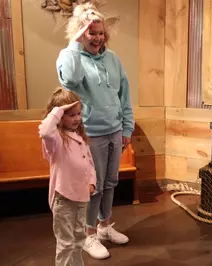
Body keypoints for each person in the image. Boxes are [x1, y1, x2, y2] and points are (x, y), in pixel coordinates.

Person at [55, 2, 135, 260]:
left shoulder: (113, 59)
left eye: (101, 33)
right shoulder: (70, 57)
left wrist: (127, 128)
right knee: (95, 186)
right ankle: (88, 235)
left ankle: (104, 227)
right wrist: (74, 46)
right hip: (90, 134)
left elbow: (124, 96)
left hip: (114, 132)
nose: (98, 38)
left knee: (111, 182)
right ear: (80, 33)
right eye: (91, 33)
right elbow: (69, 80)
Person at [39, 88, 97, 266]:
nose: (77, 118)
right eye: (70, 114)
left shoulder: (80, 137)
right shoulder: (55, 139)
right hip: (63, 198)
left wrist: (92, 182)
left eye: (79, 113)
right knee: (66, 243)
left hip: (81, 197)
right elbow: (45, 131)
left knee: (79, 238)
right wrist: (58, 110)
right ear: (60, 115)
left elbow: (89, 163)